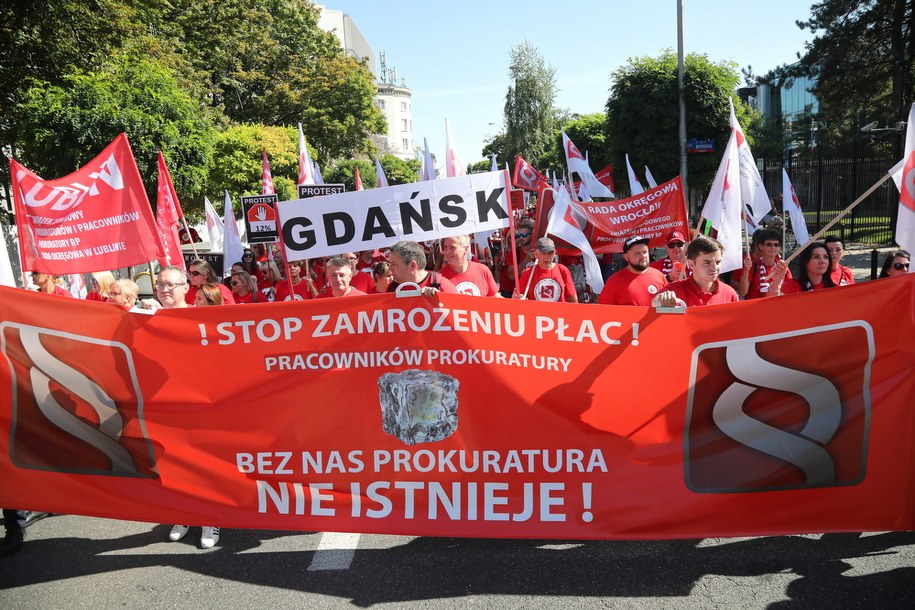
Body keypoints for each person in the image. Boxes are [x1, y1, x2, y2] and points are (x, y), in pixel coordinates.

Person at [652, 236, 739, 307]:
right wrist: (665, 299)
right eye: (707, 263)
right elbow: (654, 303)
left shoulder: (729, 293)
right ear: (691, 264)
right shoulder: (678, 289)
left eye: (718, 262)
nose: (714, 267)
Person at [597, 235, 667, 306]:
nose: (643, 256)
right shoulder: (614, 282)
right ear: (626, 257)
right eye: (637, 254)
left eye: (645, 252)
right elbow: (603, 312)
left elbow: (671, 308)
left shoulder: (659, 275)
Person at [731, 229, 791, 299]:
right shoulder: (753, 266)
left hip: (777, 306)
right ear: (760, 247)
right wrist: (746, 270)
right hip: (756, 308)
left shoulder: (782, 266)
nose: (773, 247)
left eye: (776, 244)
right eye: (769, 244)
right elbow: (742, 292)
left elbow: (790, 288)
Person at [513, 237, 578, 302]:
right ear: (536, 254)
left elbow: (573, 300)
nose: (547, 257)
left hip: (559, 312)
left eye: (550, 253)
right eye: (543, 253)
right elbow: (517, 301)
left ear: (555, 253)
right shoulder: (528, 273)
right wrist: (516, 300)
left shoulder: (563, 270)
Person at [387, 240, 458, 296]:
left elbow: (459, 311)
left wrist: (440, 299)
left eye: (394, 265)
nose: (389, 269)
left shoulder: (442, 286)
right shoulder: (392, 288)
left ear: (412, 266)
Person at [767, 242, 836, 295]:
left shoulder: (835, 289)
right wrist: (777, 281)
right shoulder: (792, 286)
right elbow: (771, 305)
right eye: (816, 257)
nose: (822, 261)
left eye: (825, 257)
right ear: (805, 262)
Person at [497, 219, 535, 297]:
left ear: (532, 235)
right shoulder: (514, 252)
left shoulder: (539, 251)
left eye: (524, 235)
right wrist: (526, 260)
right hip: (517, 293)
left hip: (533, 290)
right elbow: (511, 276)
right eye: (518, 235)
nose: (521, 238)